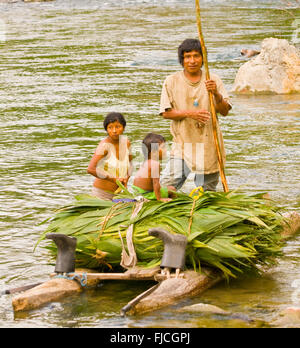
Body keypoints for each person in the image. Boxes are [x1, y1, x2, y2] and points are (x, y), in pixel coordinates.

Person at [159, 38, 232, 192]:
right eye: (187, 57)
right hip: (183, 143)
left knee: (208, 193)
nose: (192, 60)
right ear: (182, 60)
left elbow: (224, 111)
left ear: (203, 58)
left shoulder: (213, 79)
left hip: (210, 145)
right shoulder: (171, 81)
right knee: (166, 187)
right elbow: (166, 114)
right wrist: (190, 113)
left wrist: (216, 94)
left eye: (196, 56)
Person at [87, 112, 133, 200]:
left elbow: (130, 163)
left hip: (119, 193)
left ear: (123, 128)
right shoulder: (104, 146)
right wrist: (114, 179)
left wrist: (126, 178)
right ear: (106, 130)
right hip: (102, 194)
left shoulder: (126, 142)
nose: (114, 131)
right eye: (110, 127)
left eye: (117, 127)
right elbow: (91, 169)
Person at [133, 133, 174, 202]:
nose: (166, 150)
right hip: (146, 195)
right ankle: (174, 204)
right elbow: (155, 183)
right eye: (163, 147)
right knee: (172, 189)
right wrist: (159, 198)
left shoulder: (147, 162)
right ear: (154, 152)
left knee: (165, 188)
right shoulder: (155, 164)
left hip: (137, 192)